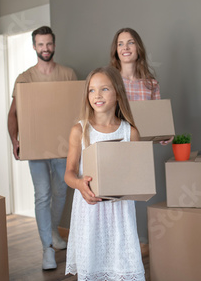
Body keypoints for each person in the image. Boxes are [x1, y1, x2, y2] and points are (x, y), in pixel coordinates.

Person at [64, 66, 145, 281]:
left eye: (104, 89)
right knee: (93, 267)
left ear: (117, 92)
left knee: (122, 266)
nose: (97, 95)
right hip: (89, 211)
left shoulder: (130, 132)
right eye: (91, 90)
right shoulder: (80, 131)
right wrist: (80, 184)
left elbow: (136, 173)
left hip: (120, 213)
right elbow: (69, 173)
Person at [7, 26, 77, 270]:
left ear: (54, 45)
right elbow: (13, 114)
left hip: (62, 147)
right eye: (40, 44)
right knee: (43, 194)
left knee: (60, 193)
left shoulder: (69, 74)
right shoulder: (24, 78)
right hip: (36, 148)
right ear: (34, 46)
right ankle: (46, 248)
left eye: (48, 44)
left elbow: (78, 112)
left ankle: (54, 235)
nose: (45, 48)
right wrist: (15, 140)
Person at [110, 27, 172, 144]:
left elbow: (157, 120)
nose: (125, 48)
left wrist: (165, 133)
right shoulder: (109, 82)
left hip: (143, 149)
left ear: (138, 48)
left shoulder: (151, 84)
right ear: (116, 51)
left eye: (131, 43)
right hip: (116, 147)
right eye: (120, 44)